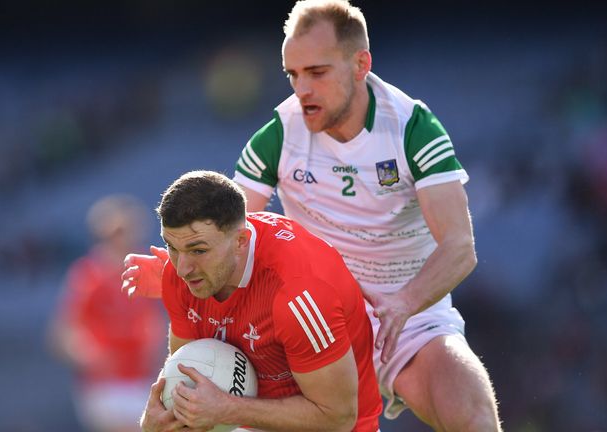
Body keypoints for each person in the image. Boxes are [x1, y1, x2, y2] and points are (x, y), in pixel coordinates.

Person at [124, 1, 502, 430]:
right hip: (303, 315)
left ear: (361, 64)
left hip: (403, 314)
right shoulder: (278, 134)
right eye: (292, 74)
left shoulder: (413, 130)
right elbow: (233, 233)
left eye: (317, 73)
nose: (301, 89)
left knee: (473, 418)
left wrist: (403, 304)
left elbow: (460, 248)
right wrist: (191, 271)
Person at [130, 170, 382, 432]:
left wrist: (228, 408)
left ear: (241, 241)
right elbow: (184, 380)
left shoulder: (299, 294)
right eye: (172, 247)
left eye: (198, 250)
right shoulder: (181, 278)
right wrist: (159, 424)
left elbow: (338, 417)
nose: (183, 268)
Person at [48, 195, 167, 432]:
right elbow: (63, 332)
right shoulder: (89, 274)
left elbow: (157, 318)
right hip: (106, 385)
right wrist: (89, 355)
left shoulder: (146, 270)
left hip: (143, 379)